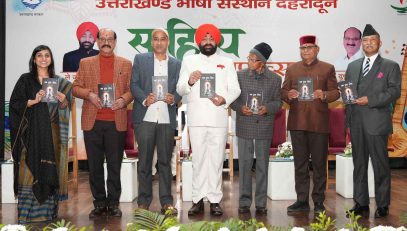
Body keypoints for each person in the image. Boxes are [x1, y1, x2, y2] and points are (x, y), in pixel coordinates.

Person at [177, 23, 241, 216]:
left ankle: (214, 199)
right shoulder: (188, 61)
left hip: (218, 117)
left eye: (211, 38)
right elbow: (180, 88)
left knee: (215, 160)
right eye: (204, 39)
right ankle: (197, 199)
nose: (207, 42)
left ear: (216, 41)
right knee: (198, 159)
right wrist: (189, 81)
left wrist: (225, 99)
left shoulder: (226, 62)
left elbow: (235, 89)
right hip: (196, 118)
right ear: (198, 41)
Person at [72, 28, 133, 218]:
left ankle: (113, 203)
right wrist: (88, 94)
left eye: (110, 39)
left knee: (115, 165)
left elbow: (132, 90)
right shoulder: (85, 62)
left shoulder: (126, 63)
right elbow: (75, 88)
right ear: (97, 41)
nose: (106, 42)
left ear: (115, 42)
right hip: (93, 122)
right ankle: (99, 203)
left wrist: (123, 99)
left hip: (116, 121)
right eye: (103, 38)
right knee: (95, 166)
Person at [9, 45, 72, 223]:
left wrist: (64, 101)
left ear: (51, 59)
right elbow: (15, 104)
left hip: (52, 137)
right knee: (27, 173)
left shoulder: (59, 82)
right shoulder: (25, 80)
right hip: (29, 137)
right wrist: (34, 100)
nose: (43, 58)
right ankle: (26, 214)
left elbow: (66, 107)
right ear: (34, 59)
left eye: (47, 55)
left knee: (49, 170)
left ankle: (47, 214)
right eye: (39, 55)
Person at [345, 24, 401, 218]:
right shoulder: (352, 66)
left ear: (379, 43)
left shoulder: (390, 66)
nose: (368, 43)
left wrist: (371, 100)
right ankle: (360, 203)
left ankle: (383, 204)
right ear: (361, 44)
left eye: (372, 40)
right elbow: (348, 92)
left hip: (376, 121)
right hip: (356, 122)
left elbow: (394, 92)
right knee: (358, 163)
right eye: (366, 40)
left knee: (380, 164)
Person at [281, 35, 339, 214]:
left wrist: (324, 95)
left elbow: (336, 92)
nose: (305, 50)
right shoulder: (292, 69)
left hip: (318, 124)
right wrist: (288, 94)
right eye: (302, 48)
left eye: (309, 47)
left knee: (320, 165)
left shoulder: (327, 68)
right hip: (297, 122)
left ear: (317, 49)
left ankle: (319, 201)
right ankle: (301, 200)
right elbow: (282, 91)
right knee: (300, 164)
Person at [130, 28, 181, 214]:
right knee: (144, 162)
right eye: (156, 39)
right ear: (152, 42)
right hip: (146, 117)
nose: (159, 43)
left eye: (163, 39)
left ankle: (167, 202)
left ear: (168, 42)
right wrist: (145, 98)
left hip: (167, 118)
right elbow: (133, 84)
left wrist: (173, 97)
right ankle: (143, 202)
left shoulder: (176, 64)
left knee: (165, 162)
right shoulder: (140, 59)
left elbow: (180, 88)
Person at [230, 42, 282, 215]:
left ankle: (261, 203)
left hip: (264, 125)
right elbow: (233, 100)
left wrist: (267, 108)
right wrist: (239, 108)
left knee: (262, 165)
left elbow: (278, 102)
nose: (249, 62)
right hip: (245, 124)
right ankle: (244, 202)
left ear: (262, 62)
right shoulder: (240, 76)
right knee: (244, 165)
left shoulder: (275, 79)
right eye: (249, 59)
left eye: (253, 60)